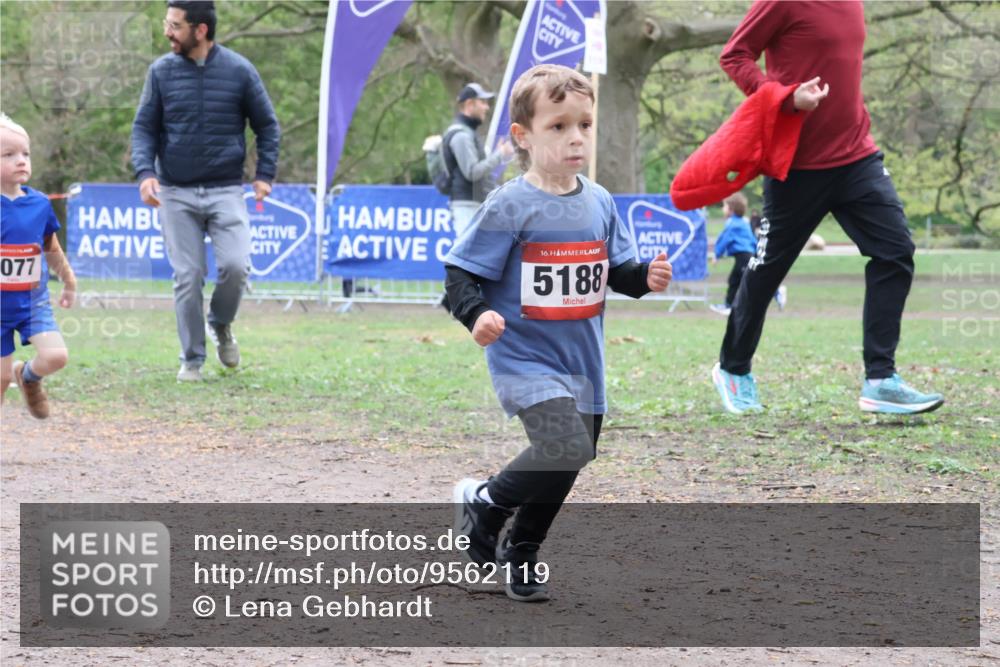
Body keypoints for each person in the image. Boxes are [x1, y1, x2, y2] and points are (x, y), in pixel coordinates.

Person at [444, 65, 673, 602]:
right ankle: (485, 504)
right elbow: (460, 274)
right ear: (522, 136)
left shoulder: (599, 201)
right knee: (564, 445)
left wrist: (645, 277)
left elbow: (615, 270)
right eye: (559, 126)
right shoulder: (510, 204)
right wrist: (477, 315)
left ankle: (520, 551)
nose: (576, 137)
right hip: (524, 358)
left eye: (585, 125)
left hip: (582, 361)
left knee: (572, 455)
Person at [711, 0, 943, 415]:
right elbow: (735, 55)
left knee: (896, 252)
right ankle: (733, 368)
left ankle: (880, 379)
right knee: (766, 271)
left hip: (857, 156)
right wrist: (783, 98)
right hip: (795, 166)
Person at [131, 0, 280, 382]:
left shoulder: (240, 70)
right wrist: (146, 172)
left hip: (226, 189)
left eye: (175, 25)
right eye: (167, 23)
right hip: (175, 192)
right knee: (188, 275)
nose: (167, 32)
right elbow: (144, 128)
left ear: (200, 30)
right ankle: (192, 359)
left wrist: (264, 175)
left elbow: (267, 126)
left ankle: (221, 324)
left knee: (235, 267)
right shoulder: (160, 72)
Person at [0, 114, 75, 419]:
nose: (21, 161)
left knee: (57, 356)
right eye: (9, 154)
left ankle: (28, 376)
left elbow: (52, 248)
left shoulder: (39, 204)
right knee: (0, 379)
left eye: (26, 154)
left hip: (32, 303)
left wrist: (68, 281)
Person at [438, 83, 514, 311]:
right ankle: (455, 301)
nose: (487, 107)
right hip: (466, 203)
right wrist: (499, 155)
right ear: (468, 104)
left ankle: (451, 300)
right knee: (467, 257)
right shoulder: (461, 136)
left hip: (471, 203)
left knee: (473, 255)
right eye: (482, 102)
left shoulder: (466, 133)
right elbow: (472, 172)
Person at [710, 193, 757, 316]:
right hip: (746, 256)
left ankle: (729, 306)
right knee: (737, 280)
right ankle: (729, 305)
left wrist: (717, 254)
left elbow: (725, 239)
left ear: (731, 209)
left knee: (743, 281)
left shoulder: (732, 223)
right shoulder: (743, 222)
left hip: (744, 257)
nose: (722, 209)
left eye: (724, 206)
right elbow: (752, 240)